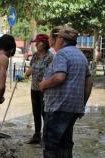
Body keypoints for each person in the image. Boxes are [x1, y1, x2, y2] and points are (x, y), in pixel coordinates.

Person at [40, 26, 93, 157]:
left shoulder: (62, 54)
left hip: (58, 107)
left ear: (61, 40)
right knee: (65, 144)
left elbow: (59, 77)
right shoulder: (81, 55)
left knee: (51, 145)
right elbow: (89, 83)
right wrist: (82, 105)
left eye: (57, 37)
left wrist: (44, 84)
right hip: (73, 109)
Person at [25, 34, 53, 144]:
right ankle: (37, 135)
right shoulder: (36, 55)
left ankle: (47, 137)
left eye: (39, 43)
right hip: (34, 88)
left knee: (44, 113)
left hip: (45, 90)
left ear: (45, 44)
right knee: (36, 112)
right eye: (36, 42)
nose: (36, 44)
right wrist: (24, 75)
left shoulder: (50, 57)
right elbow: (31, 68)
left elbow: (52, 73)